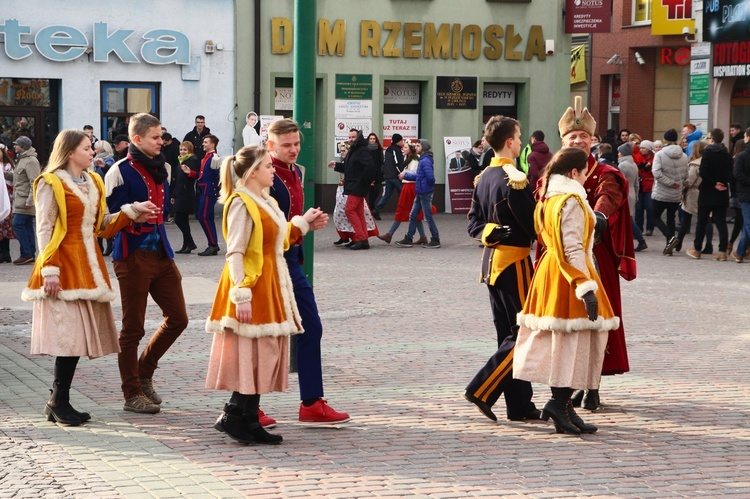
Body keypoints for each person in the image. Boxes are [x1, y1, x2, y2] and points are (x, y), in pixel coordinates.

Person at [22, 129, 157, 425]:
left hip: (88, 265)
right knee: (68, 337)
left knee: (77, 338)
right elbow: (44, 229)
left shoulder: (94, 180)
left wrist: (133, 212)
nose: (93, 151)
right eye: (87, 148)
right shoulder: (50, 182)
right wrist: (49, 269)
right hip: (62, 265)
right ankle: (59, 401)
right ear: (70, 152)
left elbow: (102, 226)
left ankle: (59, 400)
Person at [205, 145, 328, 444]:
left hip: (269, 282)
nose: (272, 170)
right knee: (253, 351)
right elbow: (234, 252)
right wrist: (241, 293)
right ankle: (236, 415)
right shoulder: (241, 203)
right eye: (267, 167)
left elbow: (276, 239)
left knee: (263, 351)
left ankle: (244, 417)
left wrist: (302, 225)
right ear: (252, 173)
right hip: (251, 284)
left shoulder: (265, 200)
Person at [514, 147, 619, 435]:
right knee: (573, 342)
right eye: (585, 173)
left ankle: (564, 407)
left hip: (551, 270)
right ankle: (558, 404)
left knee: (562, 342)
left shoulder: (548, 197)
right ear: (574, 173)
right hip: (569, 274)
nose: (586, 178)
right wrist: (585, 287)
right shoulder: (571, 200)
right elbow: (572, 247)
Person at [266, 118, 351, 426]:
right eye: (286, 145)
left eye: (296, 144)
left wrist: (306, 225)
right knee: (266, 335)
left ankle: (311, 402)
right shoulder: (265, 173)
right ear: (270, 145)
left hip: (291, 258)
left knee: (310, 327)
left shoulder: (296, 172)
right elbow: (267, 226)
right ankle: (248, 404)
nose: (293, 150)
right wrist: (302, 223)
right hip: (268, 261)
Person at [105, 112, 189, 414]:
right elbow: (104, 223)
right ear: (137, 139)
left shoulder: (163, 167)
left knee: (179, 318)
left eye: (161, 136)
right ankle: (131, 393)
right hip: (133, 255)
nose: (161, 141)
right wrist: (130, 211)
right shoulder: (117, 171)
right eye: (155, 137)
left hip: (162, 254)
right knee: (132, 329)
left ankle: (144, 371)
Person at [557, 98, 635, 412]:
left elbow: (609, 196)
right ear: (562, 141)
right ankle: (572, 385)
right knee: (567, 323)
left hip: (596, 257)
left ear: (593, 140)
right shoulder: (554, 174)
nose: (578, 141)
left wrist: (596, 217)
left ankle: (594, 386)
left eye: (583, 137)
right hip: (563, 259)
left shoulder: (606, 172)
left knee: (597, 321)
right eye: (572, 138)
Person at [463, 116, 540, 423]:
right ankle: (481, 389)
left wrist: (488, 231)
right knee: (523, 332)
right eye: (519, 137)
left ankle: (520, 405)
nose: (520, 142)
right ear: (509, 141)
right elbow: (534, 225)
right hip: (515, 262)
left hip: (492, 263)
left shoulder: (483, 177)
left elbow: (472, 223)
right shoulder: (514, 178)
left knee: (506, 335)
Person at [327, 129, 377, 250]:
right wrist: (337, 165)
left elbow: (370, 168)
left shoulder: (362, 150)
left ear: (358, 138)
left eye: (353, 137)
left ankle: (360, 238)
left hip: (357, 186)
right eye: (349, 137)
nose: (350, 139)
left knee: (349, 209)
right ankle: (363, 239)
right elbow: (350, 167)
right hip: (354, 185)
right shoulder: (354, 150)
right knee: (358, 212)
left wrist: (365, 182)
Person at [687, 128, 731, 261]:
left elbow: (703, 172)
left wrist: (713, 183)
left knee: (702, 221)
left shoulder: (707, 154)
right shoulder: (727, 155)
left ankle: (697, 249)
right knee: (721, 222)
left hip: (707, 191)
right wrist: (722, 183)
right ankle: (722, 251)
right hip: (722, 191)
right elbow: (731, 173)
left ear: (711, 139)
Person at [376, 141, 428, 245]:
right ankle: (422, 236)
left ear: (411, 149)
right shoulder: (408, 159)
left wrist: (404, 174)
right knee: (414, 213)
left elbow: (415, 173)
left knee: (403, 210)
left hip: (410, 186)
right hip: (407, 186)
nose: (403, 149)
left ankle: (390, 234)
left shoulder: (415, 160)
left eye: (405, 147)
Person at [395, 139, 440, 248]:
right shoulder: (423, 159)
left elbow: (430, 178)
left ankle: (435, 239)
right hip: (420, 191)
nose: (415, 147)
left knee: (428, 216)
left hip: (424, 192)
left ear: (423, 147)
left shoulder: (425, 161)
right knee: (413, 215)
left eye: (418, 146)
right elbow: (419, 176)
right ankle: (409, 238)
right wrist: (405, 175)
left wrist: (427, 187)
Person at [652, 129, 689, 256]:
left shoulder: (660, 154)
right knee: (671, 218)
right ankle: (670, 246)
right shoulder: (683, 155)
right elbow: (686, 174)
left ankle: (670, 237)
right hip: (676, 192)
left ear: (665, 139)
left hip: (662, 192)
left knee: (654, 216)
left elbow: (656, 172)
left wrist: (669, 182)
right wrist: (679, 184)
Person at [185, 134, 221, 256]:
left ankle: (213, 245)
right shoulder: (206, 157)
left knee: (204, 217)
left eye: (206, 142)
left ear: (212, 144)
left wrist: (218, 190)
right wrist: (190, 173)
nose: (203, 144)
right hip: (204, 190)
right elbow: (202, 175)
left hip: (209, 191)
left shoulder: (215, 158)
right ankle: (212, 244)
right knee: (205, 217)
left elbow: (219, 177)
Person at [12, 135, 41, 265]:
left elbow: (34, 182)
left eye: (16, 144)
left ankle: (26, 253)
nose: (14, 146)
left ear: (22, 147)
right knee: (27, 225)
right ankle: (29, 253)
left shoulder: (30, 161)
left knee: (17, 224)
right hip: (21, 199)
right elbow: (20, 178)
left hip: (25, 201)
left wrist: (30, 200)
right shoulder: (23, 159)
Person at [677, 142, 708, 253]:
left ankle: (678, 242)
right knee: (705, 220)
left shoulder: (695, 164)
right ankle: (708, 244)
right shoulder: (708, 162)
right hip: (705, 192)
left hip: (693, 193)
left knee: (686, 219)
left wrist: (682, 182)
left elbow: (690, 181)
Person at [617, 143, 645, 251]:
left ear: (622, 153)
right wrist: (636, 195)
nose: (618, 154)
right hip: (632, 193)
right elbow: (637, 183)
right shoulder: (633, 164)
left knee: (627, 220)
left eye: (619, 152)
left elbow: (620, 182)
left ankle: (641, 240)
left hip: (625, 194)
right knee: (628, 219)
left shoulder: (622, 166)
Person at [174, 141, 200, 253]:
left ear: (189, 150)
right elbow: (177, 180)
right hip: (179, 193)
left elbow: (193, 175)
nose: (182, 152)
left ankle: (190, 242)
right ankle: (186, 245)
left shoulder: (192, 160)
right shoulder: (180, 161)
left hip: (186, 193)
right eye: (181, 150)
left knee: (178, 219)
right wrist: (174, 194)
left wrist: (189, 172)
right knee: (183, 220)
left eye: (185, 150)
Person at [373, 133, 404, 219]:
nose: (402, 142)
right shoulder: (396, 150)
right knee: (402, 194)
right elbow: (397, 163)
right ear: (397, 141)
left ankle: (377, 209)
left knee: (387, 195)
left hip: (388, 176)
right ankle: (402, 212)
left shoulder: (388, 149)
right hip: (395, 176)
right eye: (401, 140)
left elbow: (385, 162)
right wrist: (401, 173)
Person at [732, 127, 750, 263]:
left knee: (748, 225)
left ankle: (740, 252)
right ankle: (740, 253)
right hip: (745, 194)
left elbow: (737, 174)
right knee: (745, 224)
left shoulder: (742, 155)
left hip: (746, 194)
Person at [728, 139, 746, 256]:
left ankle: (731, 244)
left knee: (740, 222)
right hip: (740, 194)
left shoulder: (735, 160)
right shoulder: (739, 159)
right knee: (741, 222)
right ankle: (733, 245)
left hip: (737, 194)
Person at [635, 140, 656, 236]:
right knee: (639, 208)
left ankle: (649, 228)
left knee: (650, 208)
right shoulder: (638, 157)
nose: (641, 150)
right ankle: (638, 229)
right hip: (640, 185)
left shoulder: (654, 158)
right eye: (641, 148)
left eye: (644, 148)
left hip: (650, 186)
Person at [0, 144, 15, 263]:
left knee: (5, 225)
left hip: (7, 198)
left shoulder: (8, 166)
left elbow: (13, 180)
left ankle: (6, 252)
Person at [366, 133, 385, 214]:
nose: (372, 140)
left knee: (377, 190)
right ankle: (372, 210)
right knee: (370, 192)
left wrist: (382, 171)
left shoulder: (379, 149)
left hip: (378, 174)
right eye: (371, 139)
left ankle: (371, 205)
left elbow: (382, 161)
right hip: (369, 174)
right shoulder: (366, 150)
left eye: (374, 139)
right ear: (368, 140)